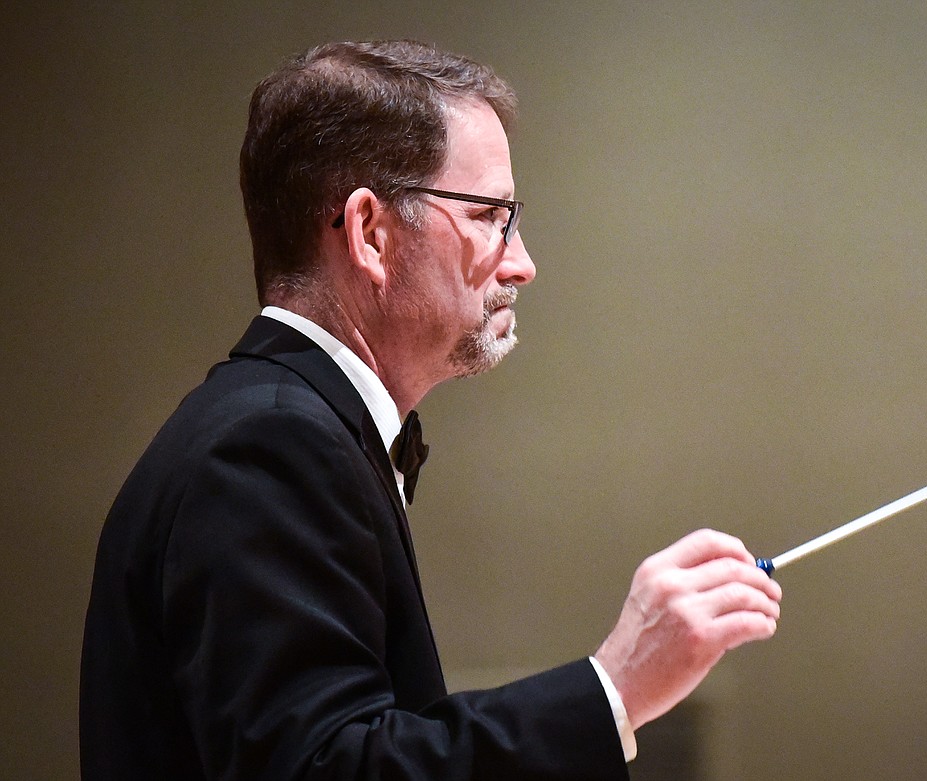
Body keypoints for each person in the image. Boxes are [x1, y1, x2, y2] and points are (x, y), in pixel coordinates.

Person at [79, 40, 782, 780]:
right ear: (371, 235)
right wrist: (615, 688)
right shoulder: (269, 446)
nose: (521, 261)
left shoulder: (282, 425)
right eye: (490, 216)